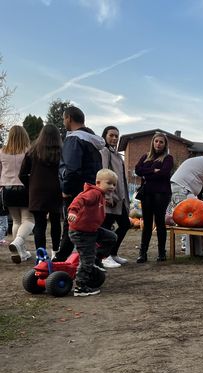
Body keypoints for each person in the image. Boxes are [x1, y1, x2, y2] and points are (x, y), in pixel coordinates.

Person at [54, 106, 105, 262]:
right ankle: (93, 261)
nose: (64, 122)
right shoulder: (93, 141)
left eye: (64, 119)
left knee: (71, 226)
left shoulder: (74, 139)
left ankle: (60, 261)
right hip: (92, 191)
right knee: (89, 226)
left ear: (69, 118)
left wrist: (66, 189)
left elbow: (72, 168)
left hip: (76, 191)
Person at [67, 169, 118, 296]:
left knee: (111, 238)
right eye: (109, 183)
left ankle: (96, 260)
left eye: (114, 184)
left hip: (91, 230)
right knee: (86, 259)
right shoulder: (93, 193)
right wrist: (73, 211)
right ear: (98, 183)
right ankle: (81, 287)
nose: (112, 186)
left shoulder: (100, 195)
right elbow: (80, 199)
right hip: (81, 232)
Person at [19, 124, 63, 255]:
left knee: (39, 224)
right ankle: (56, 251)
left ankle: (41, 255)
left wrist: (31, 185)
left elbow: (22, 174)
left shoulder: (32, 151)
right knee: (56, 222)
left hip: (37, 191)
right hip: (56, 190)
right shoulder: (62, 151)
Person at [134, 132, 174, 263]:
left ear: (165, 144)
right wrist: (152, 171)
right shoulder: (146, 156)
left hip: (161, 194)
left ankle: (161, 253)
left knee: (160, 222)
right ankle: (142, 253)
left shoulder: (168, 158)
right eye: (156, 141)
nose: (158, 144)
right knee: (146, 223)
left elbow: (164, 173)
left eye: (161, 142)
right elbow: (137, 170)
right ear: (153, 142)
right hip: (147, 194)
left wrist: (146, 174)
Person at [0, 125, 34, 263]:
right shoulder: (29, 151)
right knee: (29, 220)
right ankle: (18, 243)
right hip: (25, 188)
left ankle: (22, 252)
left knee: (16, 221)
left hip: (7, 189)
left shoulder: (2, 151)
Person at [99, 126, 131, 268]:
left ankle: (112, 253)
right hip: (110, 197)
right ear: (105, 136)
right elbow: (103, 173)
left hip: (120, 198)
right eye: (111, 135)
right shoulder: (105, 152)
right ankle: (103, 256)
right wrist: (107, 196)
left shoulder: (117, 154)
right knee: (106, 228)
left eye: (116, 136)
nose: (114, 138)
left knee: (125, 224)